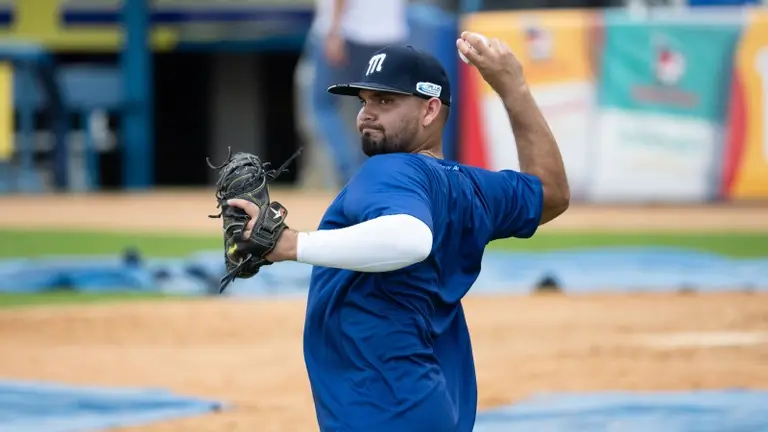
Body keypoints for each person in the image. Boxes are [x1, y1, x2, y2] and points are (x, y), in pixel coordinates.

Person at [229, 33, 570, 431]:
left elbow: (411, 238)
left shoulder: (389, 170)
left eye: (385, 101)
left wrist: (291, 244)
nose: (367, 114)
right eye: (365, 101)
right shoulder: (472, 187)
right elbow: (551, 193)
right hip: (428, 404)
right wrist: (514, 89)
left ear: (430, 110)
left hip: (385, 406)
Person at [301, 0, 409, 186]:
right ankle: (374, 174)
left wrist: (334, 32)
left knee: (323, 106)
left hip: (351, 32)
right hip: (390, 32)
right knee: (378, 110)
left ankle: (352, 173)